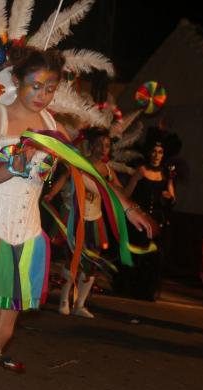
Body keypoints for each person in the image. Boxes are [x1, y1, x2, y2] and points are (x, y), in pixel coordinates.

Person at [0, 46, 154, 390]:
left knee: (4, 334)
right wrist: (13, 167)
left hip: (28, 235)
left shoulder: (52, 126)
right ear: (18, 81)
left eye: (50, 88)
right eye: (35, 86)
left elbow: (87, 171)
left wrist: (127, 207)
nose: (42, 95)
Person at [44, 128, 123, 318]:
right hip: (74, 216)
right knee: (72, 258)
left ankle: (80, 304)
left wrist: (132, 187)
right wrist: (52, 194)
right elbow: (64, 178)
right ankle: (64, 301)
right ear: (91, 145)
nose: (104, 149)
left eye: (107, 146)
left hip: (94, 219)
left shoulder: (108, 170)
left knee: (92, 261)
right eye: (100, 145)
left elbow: (121, 193)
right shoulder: (79, 162)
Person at [123, 139, 175, 301]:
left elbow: (172, 197)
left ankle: (147, 290)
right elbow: (126, 195)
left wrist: (169, 197)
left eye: (160, 152)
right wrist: (136, 179)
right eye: (154, 151)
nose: (156, 155)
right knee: (137, 253)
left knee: (153, 257)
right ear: (148, 153)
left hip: (157, 220)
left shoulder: (166, 174)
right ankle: (131, 287)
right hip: (140, 219)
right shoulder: (141, 171)